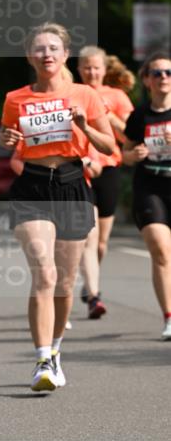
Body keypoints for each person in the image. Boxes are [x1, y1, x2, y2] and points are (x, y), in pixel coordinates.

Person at [0, 23, 115, 392]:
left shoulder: (85, 94)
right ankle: (42, 358)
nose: (46, 54)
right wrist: (8, 139)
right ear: (29, 56)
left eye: (53, 48)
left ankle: (56, 349)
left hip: (71, 184)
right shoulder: (15, 98)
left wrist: (84, 126)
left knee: (65, 282)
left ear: (65, 55)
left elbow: (109, 145)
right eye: (39, 49)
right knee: (44, 274)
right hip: (31, 185)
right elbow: (9, 140)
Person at [77, 46, 135, 316]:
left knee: (101, 243)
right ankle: (94, 294)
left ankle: (90, 284)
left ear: (104, 69)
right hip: (81, 170)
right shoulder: (73, 94)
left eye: (96, 67)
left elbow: (129, 138)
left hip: (109, 168)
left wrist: (108, 114)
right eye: (87, 67)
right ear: (79, 69)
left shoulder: (117, 96)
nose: (92, 72)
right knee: (90, 236)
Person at [121, 51, 171, 340]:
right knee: (161, 249)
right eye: (157, 73)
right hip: (150, 187)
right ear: (147, 80)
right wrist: (133, 154)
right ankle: (168, 317)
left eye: (168, 72)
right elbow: (124, 154)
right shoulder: (139, 115)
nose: (163, 77)